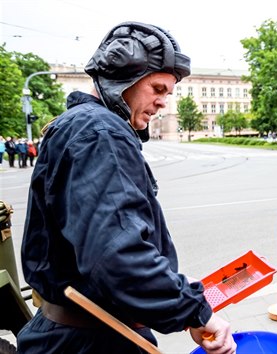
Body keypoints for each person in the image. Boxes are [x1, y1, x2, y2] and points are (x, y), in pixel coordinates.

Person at [17, 21, 236, 354]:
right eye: (158, 88)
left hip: (79, 331)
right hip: (93, 340)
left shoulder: (79, 125)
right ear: (123, 77)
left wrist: (170, 285)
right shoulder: (101, 132)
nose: (163, 102)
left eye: (168, 92)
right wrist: (198, 313)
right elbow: (118, 257)